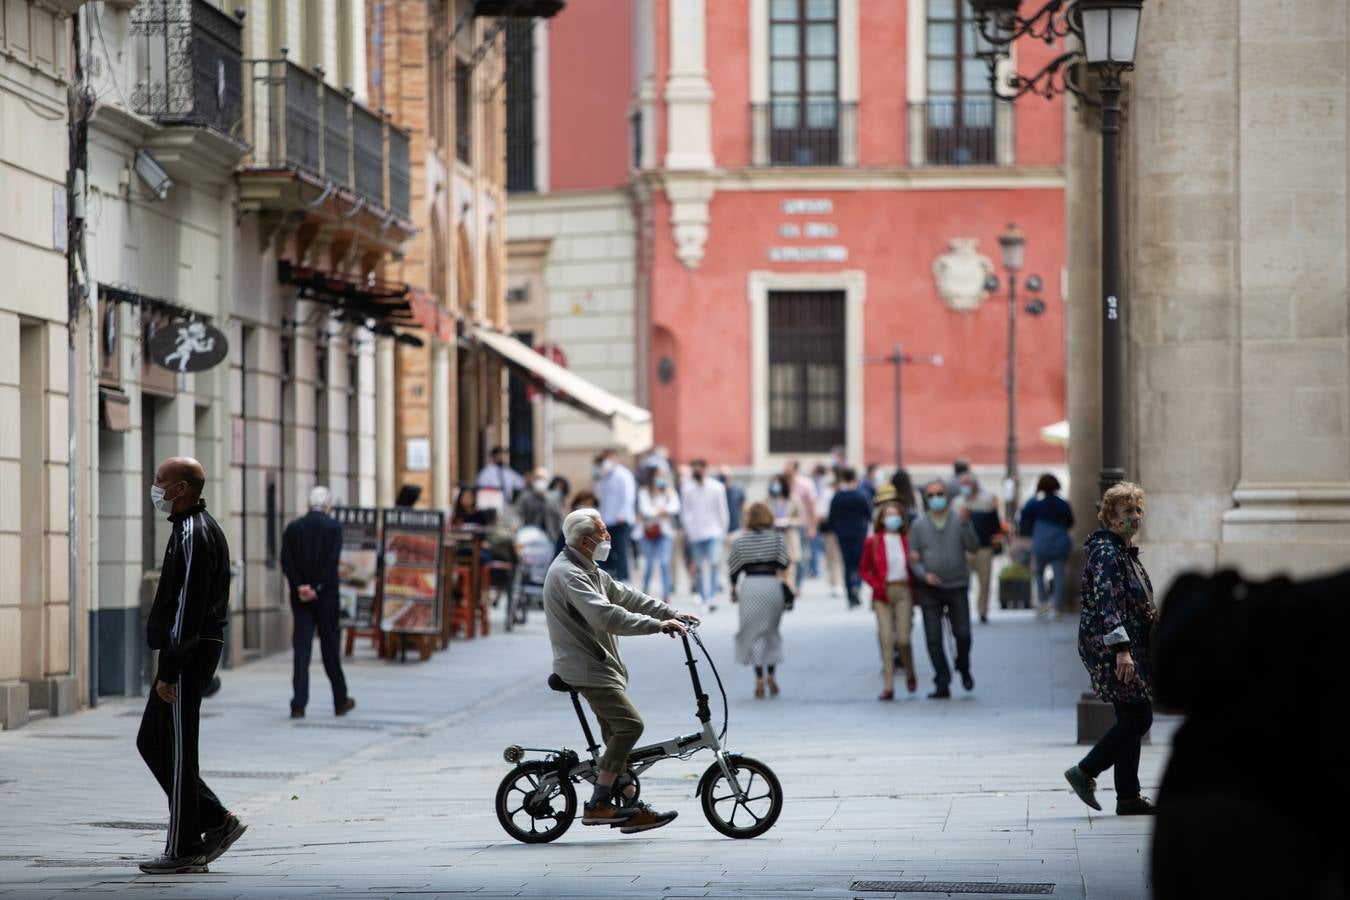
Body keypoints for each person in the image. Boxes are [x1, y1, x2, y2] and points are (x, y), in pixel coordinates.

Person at [543, 508, 700, 833]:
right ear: (585, 541)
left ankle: (629, 804)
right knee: (630, 726)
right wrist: (657, 626)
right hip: (586, 668)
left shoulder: (587, 569)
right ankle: (599, 803)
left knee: (616, 736)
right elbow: (607, 616)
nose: (609, 536)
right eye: (602, 532)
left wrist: (671, 612)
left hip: (596, 665)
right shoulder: (569, 575)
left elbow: (626, 595)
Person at [136, 456, 245, 874]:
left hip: (189, 653)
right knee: (153, 740)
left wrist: (170, 667)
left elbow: (188, 607)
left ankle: (185, 847)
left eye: (160, 479)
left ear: (182, 488)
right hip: (188, 651)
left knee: (179, 750)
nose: (155, 485)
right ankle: (216, 820)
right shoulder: (186, 529)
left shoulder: (195, 533)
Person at [1064, 482, 1158, 817]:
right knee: (1138, 715)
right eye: (1127, 512)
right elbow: (1108, 604)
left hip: (1127, 643)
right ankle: (1086, 771)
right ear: (1110, 517)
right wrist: (1122, 650)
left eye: (1137, 511)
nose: (1134, 517)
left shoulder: (1121, 550)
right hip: (1114, 646)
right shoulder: (1106, 552)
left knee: (1130, 714)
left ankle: (1128, 796)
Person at [281, 486, 355, 720]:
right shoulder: (333, 527)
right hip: (326, 597)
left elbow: (286, 560)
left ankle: (298, 704)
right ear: (328, 505)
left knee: (301, 650)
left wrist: (299, 586)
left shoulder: (293, 527)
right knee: (330, 648)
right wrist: (318, 587)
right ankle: (340, 700)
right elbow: (331, 561)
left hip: (300, 597)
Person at [908, 481, 979, 699]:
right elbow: (913, 558)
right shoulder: (918, 525)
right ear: (926, 499)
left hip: (957, 585)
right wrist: (923, 575)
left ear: (947, 496)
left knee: (963, 634)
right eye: (931, 495)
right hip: (930, 589)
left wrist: (967, 525)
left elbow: (974, 546)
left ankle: (963, 666)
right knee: (933, 638)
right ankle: (942, 680)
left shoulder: (959, 519)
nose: (936, 498)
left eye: (940, 494)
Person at [728, 503, 792, 699]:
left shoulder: (740, 541)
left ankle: (759, 679)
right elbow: (784, 562)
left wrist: (733, 589)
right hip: (772, 586)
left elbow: (733, 569)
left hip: (750, 587)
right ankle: (772, 675)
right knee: (771, 632)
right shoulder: (778, 539)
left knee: (753, 633)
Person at [860, 500, 917, 699]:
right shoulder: (873, 541)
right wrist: (875, 584)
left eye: (896, 515)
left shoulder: (908, 540)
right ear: (882, 519)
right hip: (882, 593)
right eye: (888, 515)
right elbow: (864, 569)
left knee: (903, 638)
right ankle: (889, 686)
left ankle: (909, 670)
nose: (892, 519)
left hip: (904, 590)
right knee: (886, 638)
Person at [1019, 474, 1075, 618]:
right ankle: (1057, 606)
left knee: (1038, 573)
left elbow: (1024, 523)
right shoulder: (1063, 503)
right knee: (1059, 575)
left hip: (1040, 543)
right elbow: (1070, 522)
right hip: (1059, 543)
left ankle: (1043, 602)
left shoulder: (1034, 504)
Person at [680, 460, 729, 609]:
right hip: (696, 533)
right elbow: (685, 512)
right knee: (699, 567)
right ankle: (702, 595)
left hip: (714, 532)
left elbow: (722, 510)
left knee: (714, 563)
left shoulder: (717, 488)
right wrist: (689, 530)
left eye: (699, 468)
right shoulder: (687, 489)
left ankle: (712, 596)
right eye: (694, 468)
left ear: (705, 469)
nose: (697, 471)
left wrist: (723, 531)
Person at [955, 471, 1002, 624]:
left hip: (983, 548)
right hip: (963, 550)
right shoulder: (957, 503)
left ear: (974, 485)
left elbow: (995, 525)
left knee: (984, 582)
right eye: (962, 484)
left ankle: (982, 610)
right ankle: (962, 611)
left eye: (967, 484)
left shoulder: (986, 501)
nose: (965, 487)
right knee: (962, 582)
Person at [827, 467, 872, 609]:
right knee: (859, 564)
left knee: (847, 565)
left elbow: (832, 517)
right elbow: (869, 514)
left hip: (843, 534)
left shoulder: (838, 496)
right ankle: (856, 588)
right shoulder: (861, 495)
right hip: (859, 533)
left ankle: (849, 593)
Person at [636, 469, 681, 602]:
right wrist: (660, 511)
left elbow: (675, 507)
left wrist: (662, 509)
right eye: (658, 476)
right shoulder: (644, 491)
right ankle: (644, 591)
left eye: (663, 476)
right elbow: (645, 510)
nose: (660, 478)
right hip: (648, 531)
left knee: (664, 562)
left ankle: (666, 594)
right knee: (649, 564)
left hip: (665, 531)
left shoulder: (669, 491)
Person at [595, 449, 637, 582]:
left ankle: (623, 578)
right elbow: (600, 497)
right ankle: (609, 577)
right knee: (606, 551)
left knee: (621, 550)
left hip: (621, 520)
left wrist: (622, 514)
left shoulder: (623, 474)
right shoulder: (606, 477)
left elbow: (628, 496)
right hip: (608, 520)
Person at [812, 464, 843, 595]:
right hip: (832, 528)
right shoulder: (827, 492)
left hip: (835, 527)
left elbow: (821, 511)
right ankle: (836, 582)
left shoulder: (833, 492)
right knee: (833, 556)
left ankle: (837, 583)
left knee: (835, 556)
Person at [514, 467, 563, 544]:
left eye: (542, 478)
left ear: (547, 481)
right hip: (531, 540)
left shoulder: (554, 499)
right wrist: (516, 526)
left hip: (552, 540)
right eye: (537, 478)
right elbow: (517, 515)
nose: (540, 481)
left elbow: (560, 519)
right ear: (532, 480)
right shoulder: (525, 498)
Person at [767, 473, 805, 568]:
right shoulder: (768, 500)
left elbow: (801, 519)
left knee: (790, 569)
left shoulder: (794, 499)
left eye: (777, 483)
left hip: (789, 537)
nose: (775, 485)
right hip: (773, 539)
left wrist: (788, 521)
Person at [717, 466, 746, 535]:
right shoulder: (716, 491)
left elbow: (743, 509)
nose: (726, 479)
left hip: (735, 529)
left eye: (728, 476)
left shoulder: (738, 490)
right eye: (723, 476)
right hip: (719, 530)